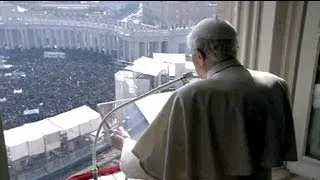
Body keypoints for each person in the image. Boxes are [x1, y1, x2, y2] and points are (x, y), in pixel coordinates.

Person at [110, 17, 298, 180]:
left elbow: (150, 166)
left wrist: (126, 145)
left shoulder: (190, 96)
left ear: (199, 56)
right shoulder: (276, 84)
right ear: (234, 48)